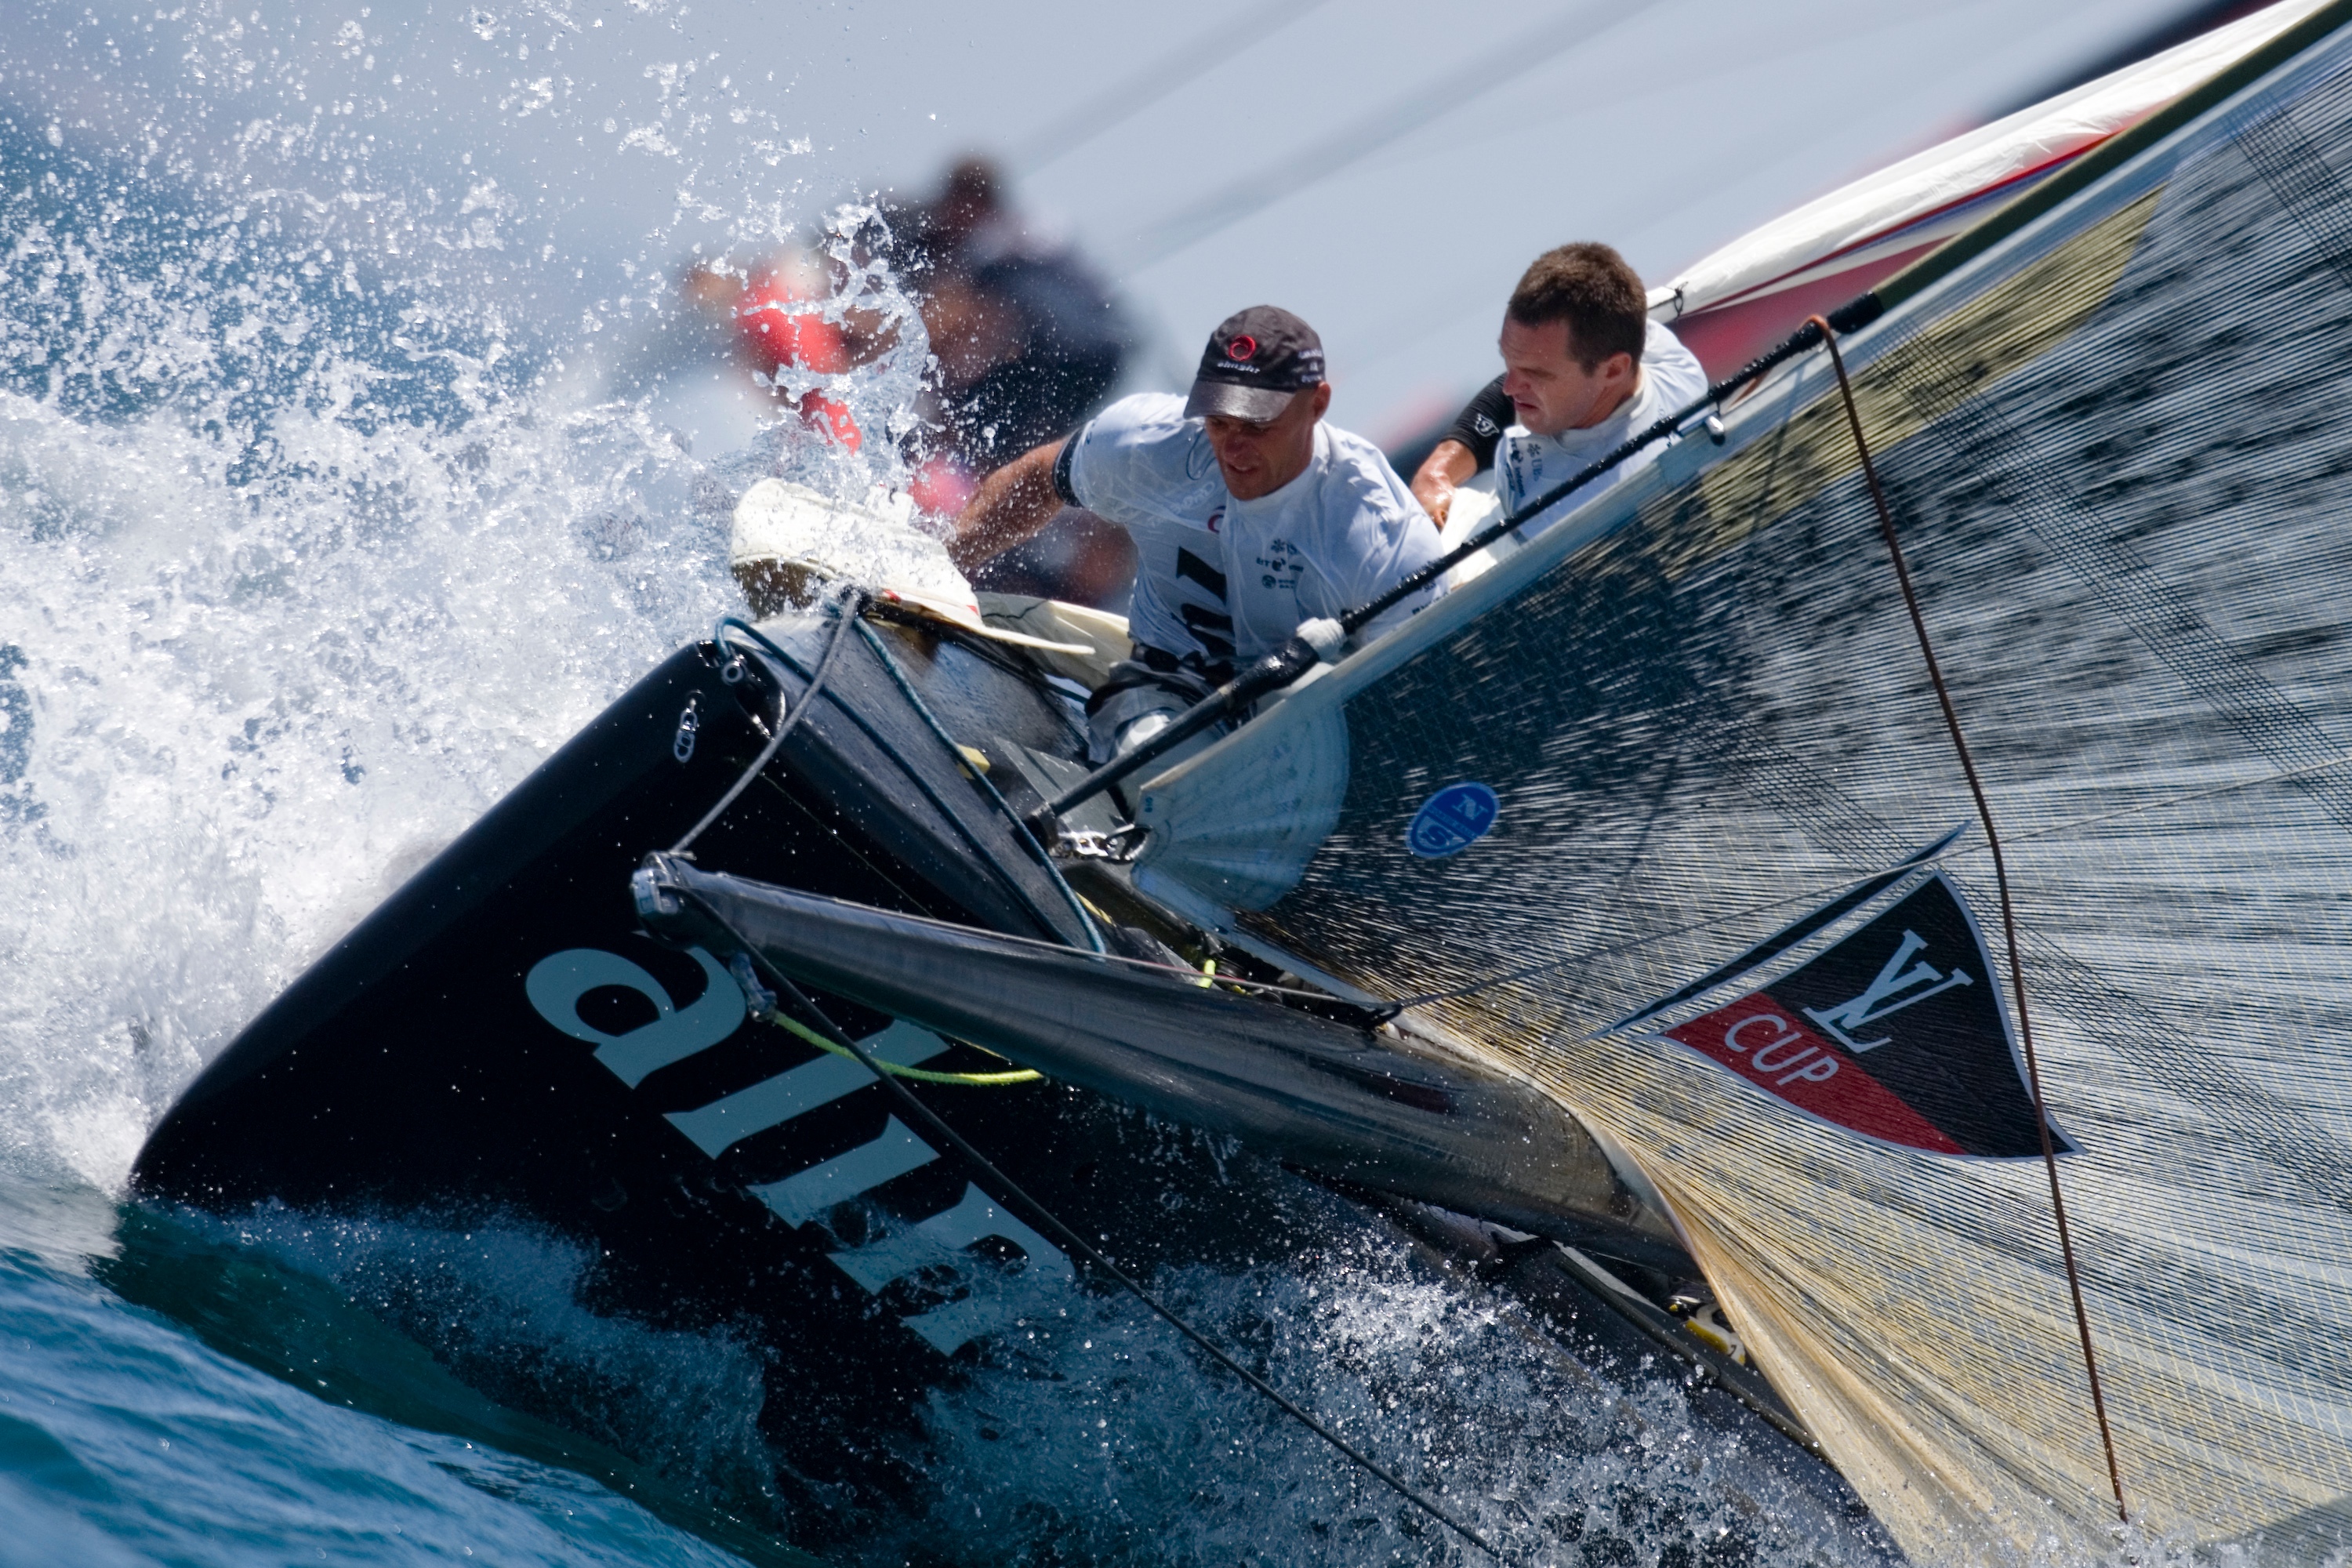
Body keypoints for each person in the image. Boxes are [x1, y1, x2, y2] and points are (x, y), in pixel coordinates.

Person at [950, 305, 1445, 763]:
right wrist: (946, 558)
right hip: (1162, 677)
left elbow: (1410, 710)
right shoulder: (1148, 438)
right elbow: (1039, 479)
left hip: (1299, 731)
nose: (1234, 445)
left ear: (1317, 405)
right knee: (956, 612)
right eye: (1218, 418)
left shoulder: (1383, 536)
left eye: (1257, 423)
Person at [1410, 242, 1707, 531]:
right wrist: (1438, 470)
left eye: (1537, 374)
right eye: (1509, 362)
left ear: (1614, 369)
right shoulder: (1652, 347)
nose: (1509, 387)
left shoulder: (1590, 503)